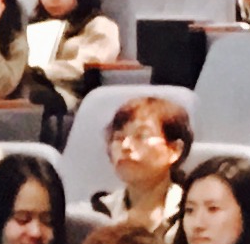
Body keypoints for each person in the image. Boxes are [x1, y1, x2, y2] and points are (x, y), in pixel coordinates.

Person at [80, 89, 193, 233]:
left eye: (141, 136)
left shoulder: (193, 212)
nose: (125, 146)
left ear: (174, 149)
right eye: (119, 138)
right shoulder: (95, 215)